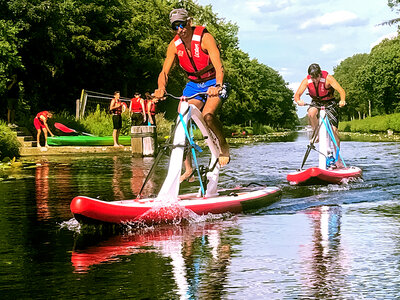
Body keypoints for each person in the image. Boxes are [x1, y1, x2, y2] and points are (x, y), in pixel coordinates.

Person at [153, 8, 230, 182]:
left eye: (182, 24)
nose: (180, 29)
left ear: (189, 21)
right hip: (194, 85)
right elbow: (164, 72)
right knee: (182, 120)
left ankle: (223, 146)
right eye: (175, 26)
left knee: (208, 116)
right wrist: (160, 88)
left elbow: (219, 66)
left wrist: (217, 86)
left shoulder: (205, 38)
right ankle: (188, 169)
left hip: (212, 82)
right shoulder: (174, 46)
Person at [294, 63, 346, 149]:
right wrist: (299, 101)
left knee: (334, 131)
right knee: (311, 112)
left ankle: (338, 157)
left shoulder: (328, 78)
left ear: (320, 74)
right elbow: (297, 95)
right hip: (316, 102)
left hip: (329, 102)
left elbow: (341, 91)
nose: (315, 80)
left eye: (317, 77)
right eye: (313, 78)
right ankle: (316, 134)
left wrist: (342, 100)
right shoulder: (306, 81)